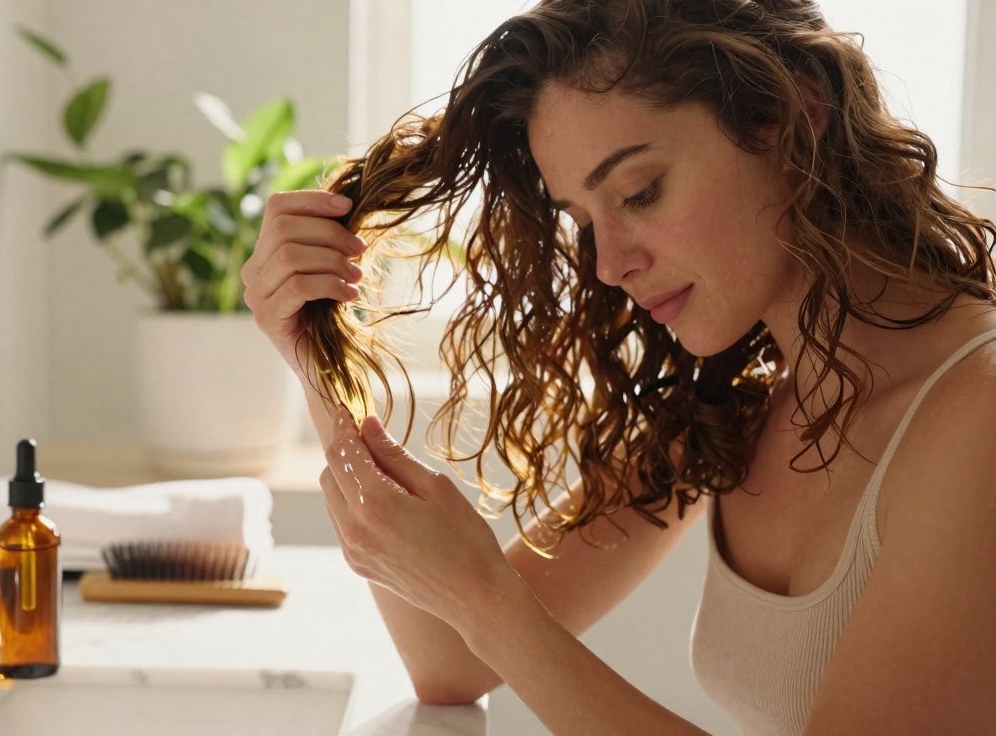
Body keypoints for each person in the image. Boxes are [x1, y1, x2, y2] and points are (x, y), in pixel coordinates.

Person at [240, 0, 996, 732]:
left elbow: (477, 626)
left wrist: (485, 594)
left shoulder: (977, 415)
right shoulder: (745, 404)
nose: (607, 264)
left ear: (791, 118)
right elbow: (449, 662)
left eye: (640, 191)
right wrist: (311, 343)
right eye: (583, 221)